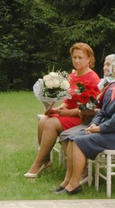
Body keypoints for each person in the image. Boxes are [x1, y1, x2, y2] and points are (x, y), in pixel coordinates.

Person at [59, 55, 115, 194]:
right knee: (71, 138)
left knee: (79, 142)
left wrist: (98, 129)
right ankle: (67, 180)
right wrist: (92, 126)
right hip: (108, 130)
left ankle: (74, 185)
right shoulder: (112, 87)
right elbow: (102, 112)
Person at [26, 42, 102, 176]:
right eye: (74, 57)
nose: (77, 61)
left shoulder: (93, 78)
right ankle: (46, 160)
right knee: (44, 120)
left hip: (84, 118)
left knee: (50, 123)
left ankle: (37, 164)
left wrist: (67, 112)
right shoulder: (72, 75)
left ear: (89, 59)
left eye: (80, 58)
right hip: (69, 114)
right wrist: (57, 109)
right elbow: (68, 100)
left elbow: (91, 107)